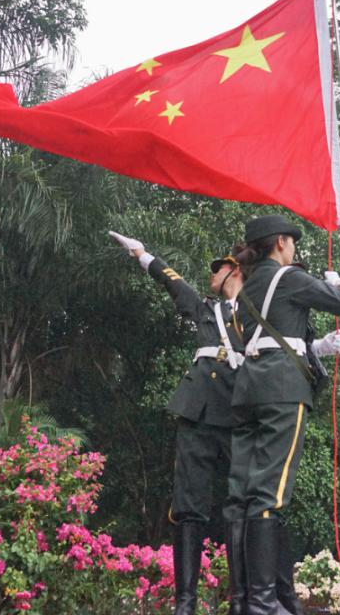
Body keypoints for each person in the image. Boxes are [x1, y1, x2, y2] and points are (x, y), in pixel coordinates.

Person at [224, 214, 340, 615]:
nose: (295, 248)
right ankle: (264, 603)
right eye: (292, 242)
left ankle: (244, 600)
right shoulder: (289, 278)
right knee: (269, 493)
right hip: (282, 389)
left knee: (241, 495)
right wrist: (337, 284)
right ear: (281, 242)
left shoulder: (247, 288)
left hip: (248, 388)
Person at [109, 231, 247, 615]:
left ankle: (241, 600)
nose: (212, 275)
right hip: (199, 411)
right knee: (188, 506)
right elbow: (173, 281)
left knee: (243, 505)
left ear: (235, 270)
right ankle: (185, 602)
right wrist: (141, 254)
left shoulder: (257, 312)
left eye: (218, 268)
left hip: (239, 413)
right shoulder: (206, 309)